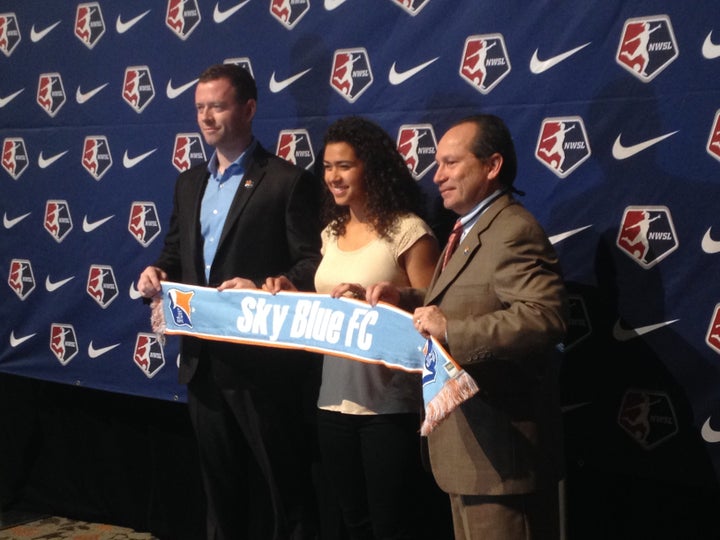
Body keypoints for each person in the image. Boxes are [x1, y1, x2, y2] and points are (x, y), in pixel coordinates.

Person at [136, 63, 322, 540]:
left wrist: (267, 284)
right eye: (200, 107)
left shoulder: (286, 181)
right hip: (202, 363)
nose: (206, 116)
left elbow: (310, 264)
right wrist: (158, 273)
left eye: (217, 106)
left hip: (263, 369)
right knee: (220, 494)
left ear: (249, 109)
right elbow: (176, 254)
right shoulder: (189, 182)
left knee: (286, 492)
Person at [366, 114, 569, 540]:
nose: (436, 176)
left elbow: (545, 316)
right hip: (468, 452)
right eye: (436, 164)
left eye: (451, 163)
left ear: (492, 166)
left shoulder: (513, 230)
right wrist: (403, 299)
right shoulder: (466, 228)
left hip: (503, 454)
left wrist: (452, 331)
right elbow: (461, 299)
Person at [264, 116, 447, 539]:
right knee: (353, 521)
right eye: (327, 167)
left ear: (373, 168)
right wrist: (288, 291)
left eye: (344, 165)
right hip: (332, 403)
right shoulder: (330, 232)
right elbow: (326, 309)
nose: (333, 176)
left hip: (391, 407)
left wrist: (385, 298)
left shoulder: (409, 231)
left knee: (392, 526)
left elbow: (436, 311)